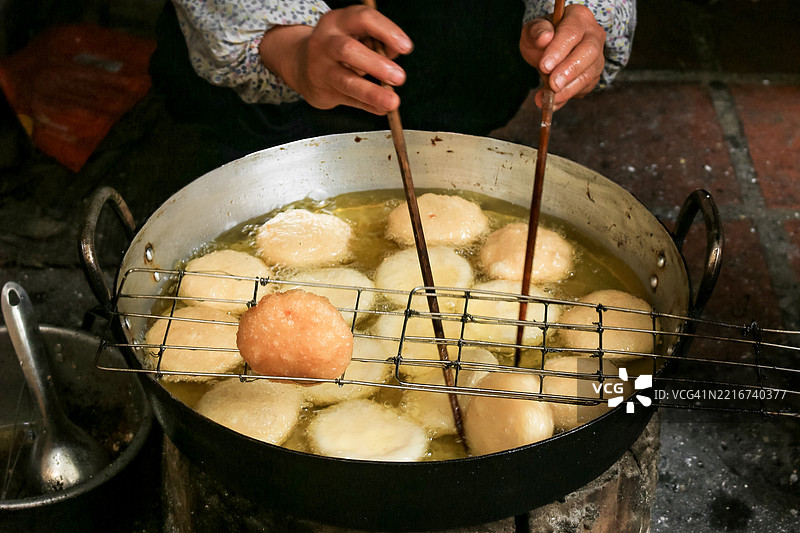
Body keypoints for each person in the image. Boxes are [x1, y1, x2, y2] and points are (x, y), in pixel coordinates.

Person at [149, 1, 636, 158]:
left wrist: (580, 19)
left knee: (450, 142)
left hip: (466, 52)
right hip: (263, 116)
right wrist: (288, 49)